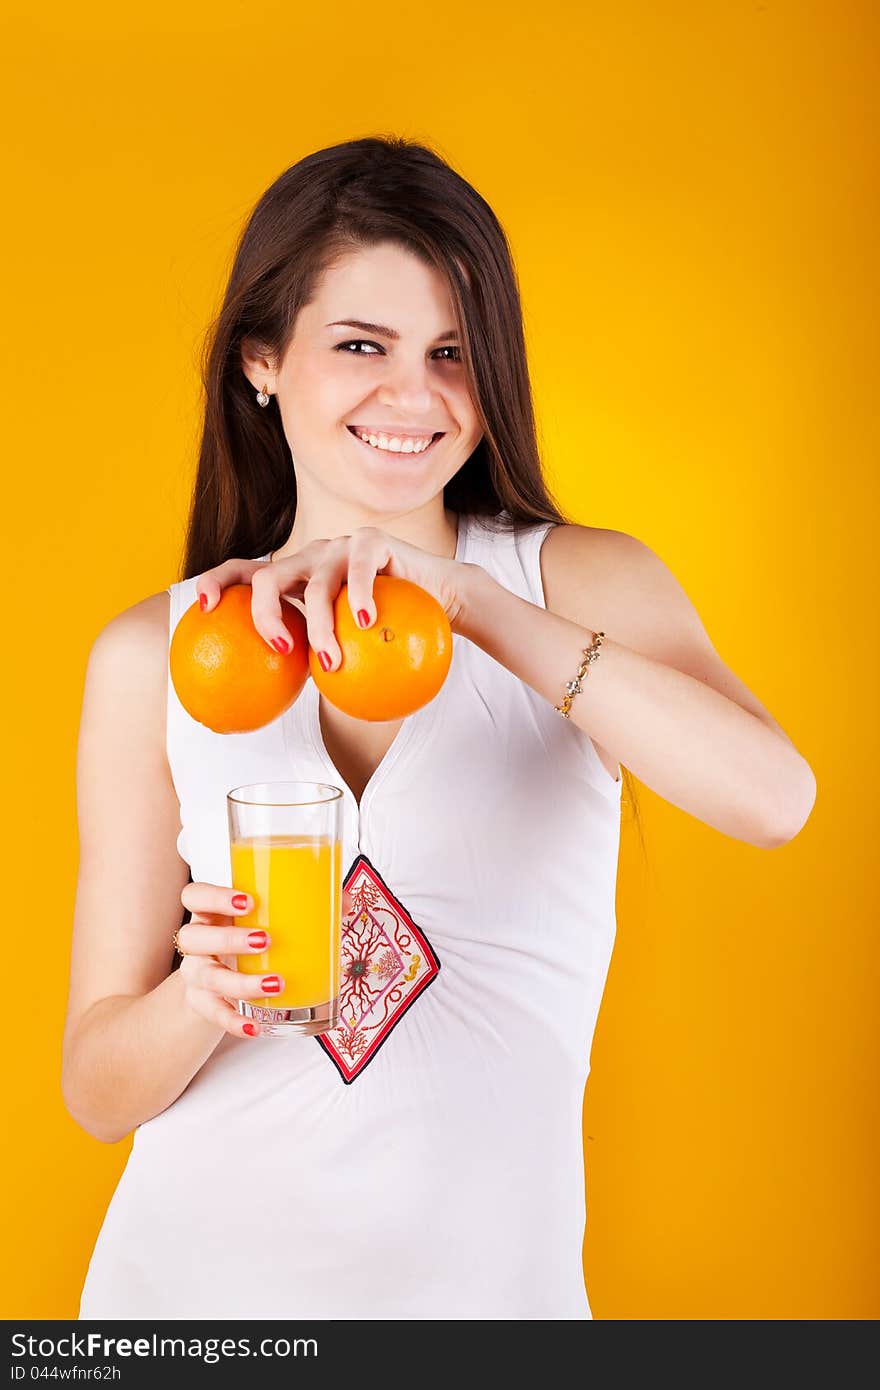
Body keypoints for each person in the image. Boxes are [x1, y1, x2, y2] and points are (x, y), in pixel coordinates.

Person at [63, 135, 817, 1321]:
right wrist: (194, 998)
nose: (411, 395)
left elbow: (772, 799)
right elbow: (99, 1090)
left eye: (452, 353)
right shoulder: (156, 653)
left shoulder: (569, 586)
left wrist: (472, 605)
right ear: (262, 359)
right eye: (360, 344)